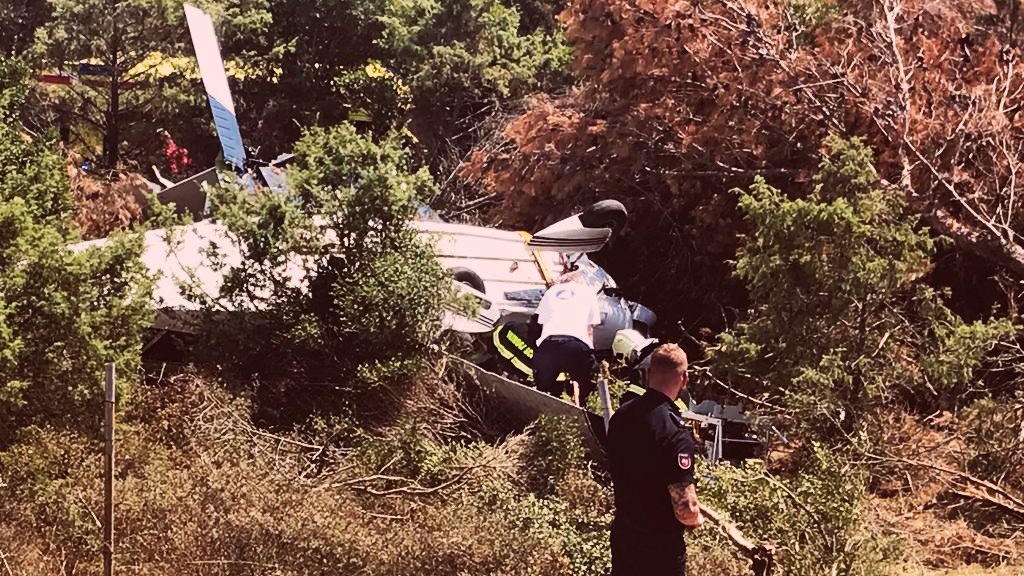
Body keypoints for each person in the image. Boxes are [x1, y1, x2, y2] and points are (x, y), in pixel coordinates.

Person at [607, 343, 704, 576]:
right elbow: (685, 507)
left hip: (625, 537)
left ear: (649, 374)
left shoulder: (622, 416)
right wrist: (696, 519)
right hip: (660, 548)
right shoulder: (676, 432)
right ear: (685, 379)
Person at [532, 274, 601, 404]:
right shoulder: (588, 292)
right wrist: (591, 356)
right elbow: (589, 329)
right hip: (576, 346)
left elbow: (540, 323)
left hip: (548, 345)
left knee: (544, 391)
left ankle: (548, 414)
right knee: (587, 386)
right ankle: (585, 410)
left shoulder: (550, 292)